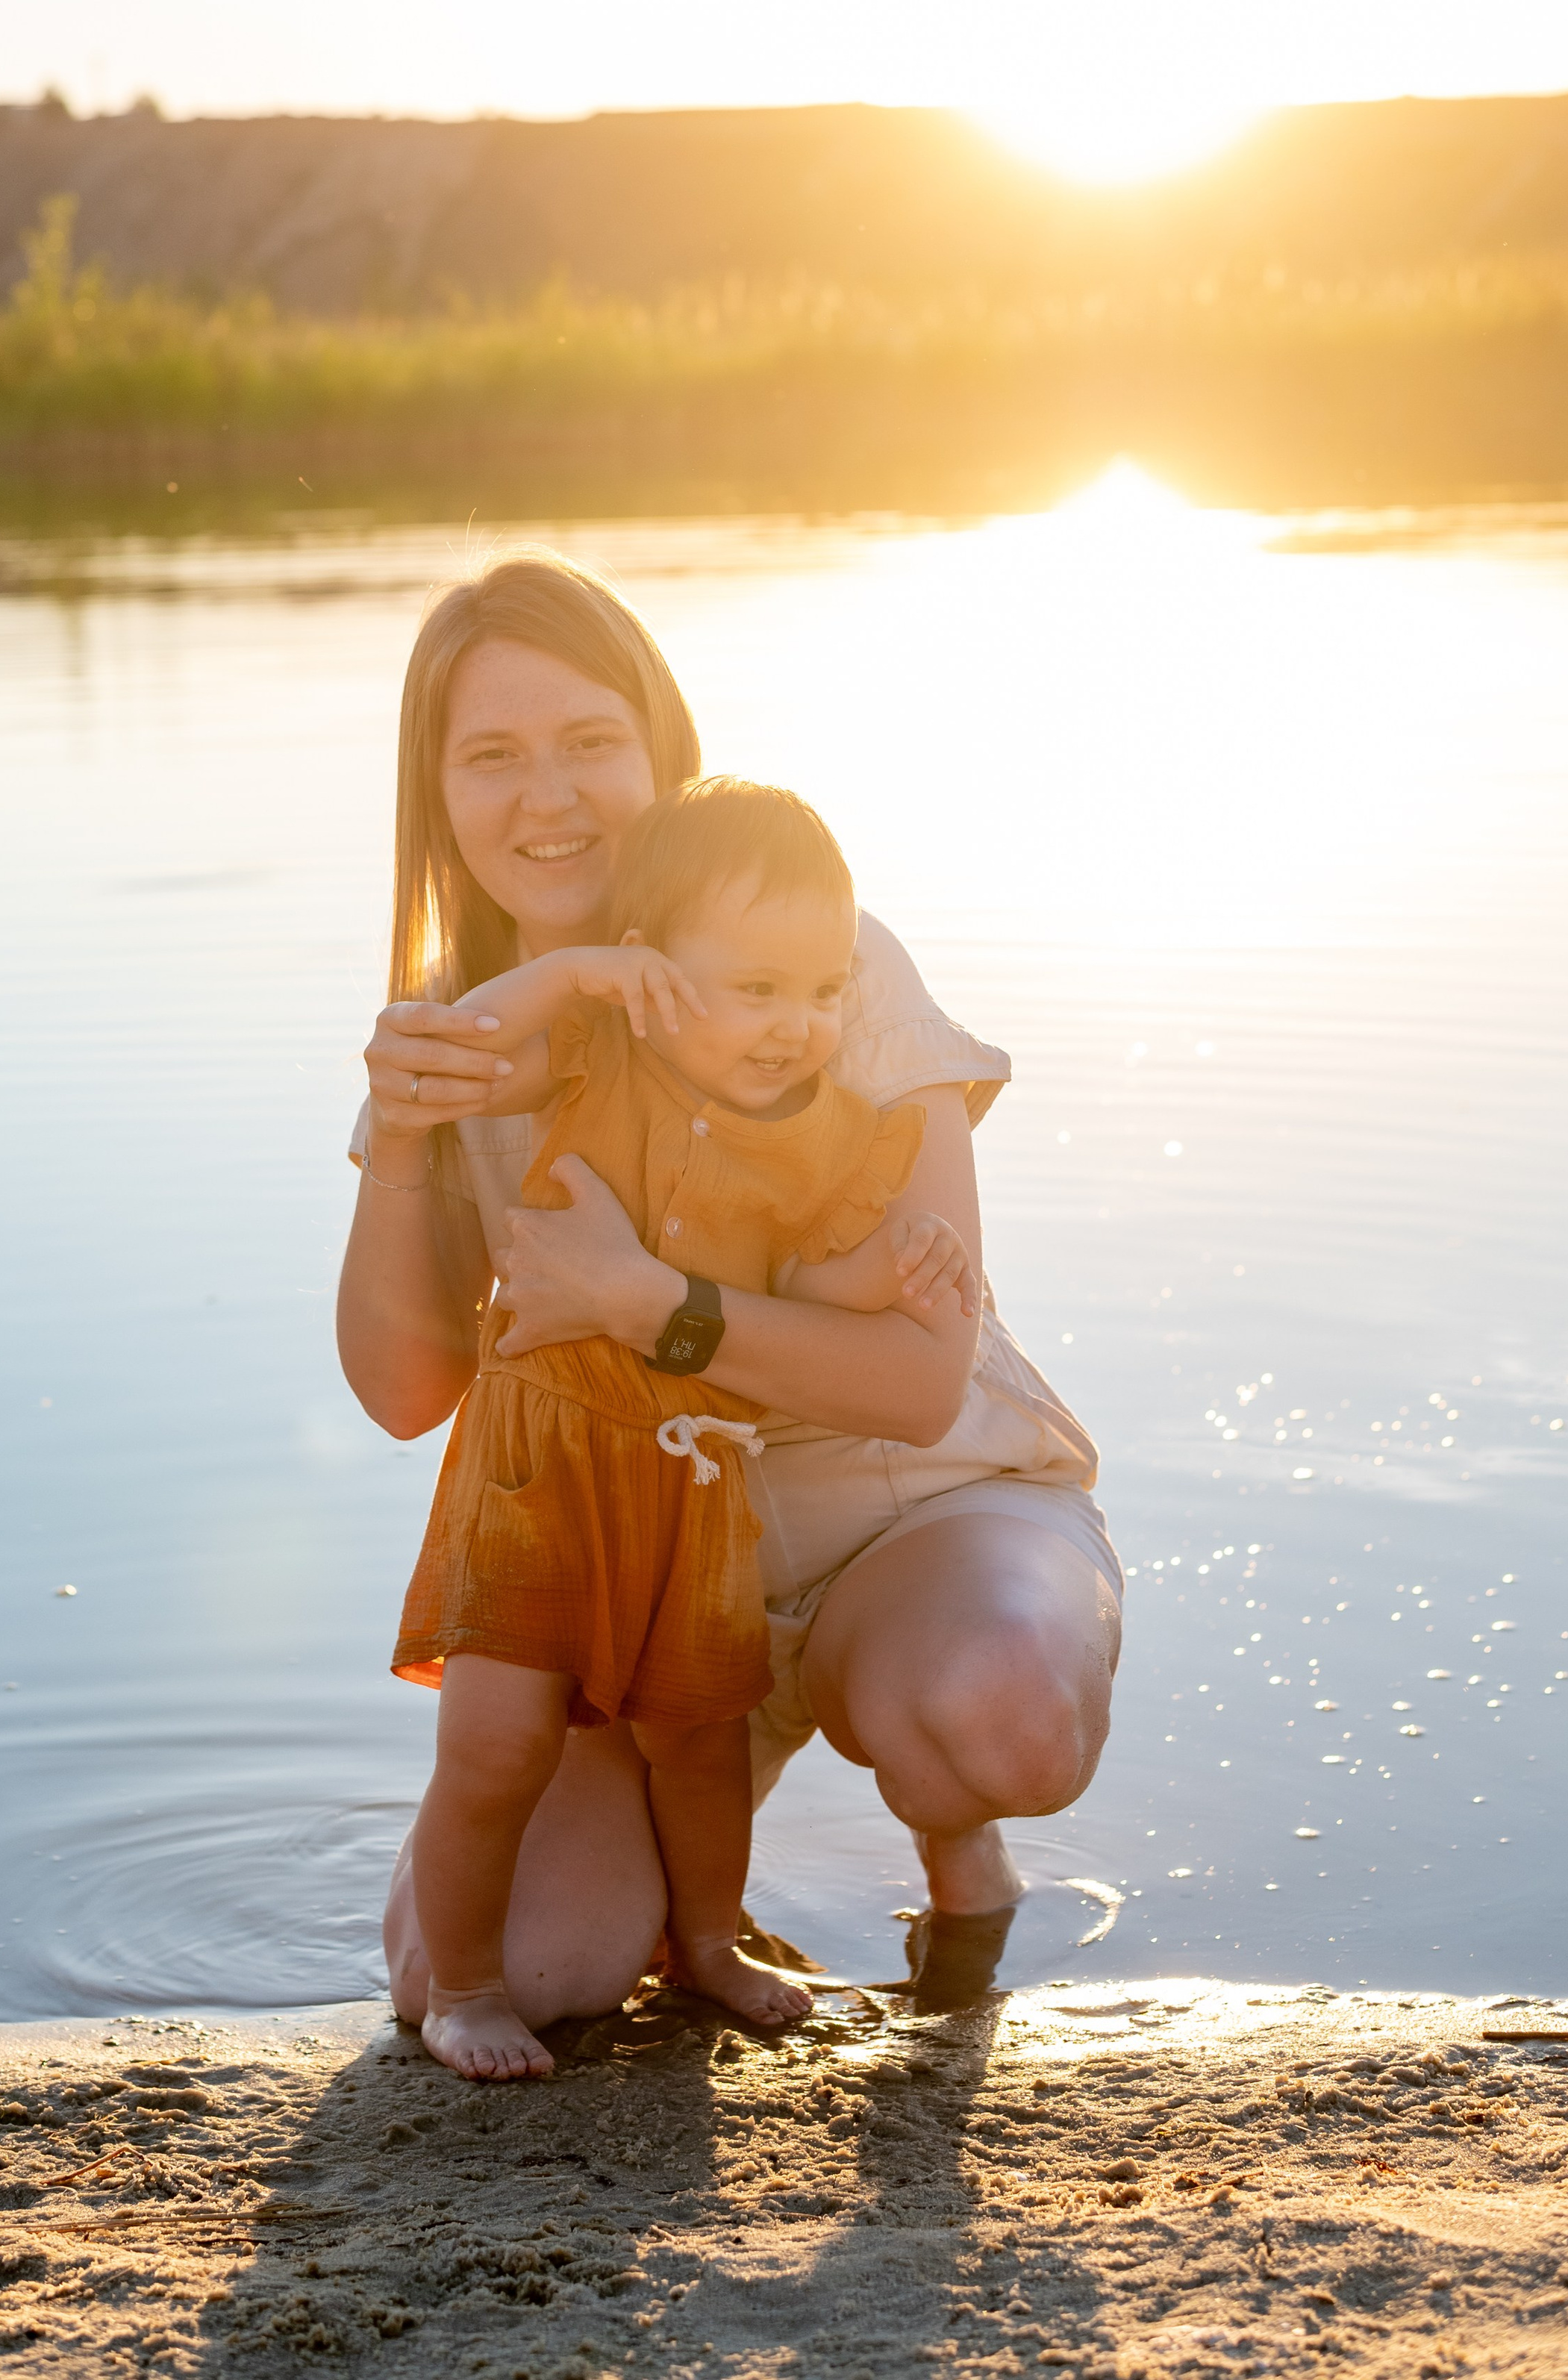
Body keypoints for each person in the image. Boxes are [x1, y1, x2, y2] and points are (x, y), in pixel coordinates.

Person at [337, 551, 1122, 2036]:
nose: (549, 797)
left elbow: (916, 1382)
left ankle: (955, 1849)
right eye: (492, 757)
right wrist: (399, 1129)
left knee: (997, 1717)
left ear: (660, 750)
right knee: (514, 1970)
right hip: (643, 1575)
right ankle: (691, 1883)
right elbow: (400, 1395)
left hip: (906, 1512)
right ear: (435, 795)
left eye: (589, 741)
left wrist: (649, 1303)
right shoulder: (470, 1025)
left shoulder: (818, 965)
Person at [392, 778, 975, 2077]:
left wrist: (899, 1268)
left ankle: (709, 1943)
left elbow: (807, 1284)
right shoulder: (594, 1050)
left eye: (821, 992)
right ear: (653, 972)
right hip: (540, 1466)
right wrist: (577, 975)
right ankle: (465, 1989)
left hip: (694, 1478)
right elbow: (462, 1047)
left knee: (701, 1742)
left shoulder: (823, 1140)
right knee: (496, 1739)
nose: (796, 1025)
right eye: (756, 990)